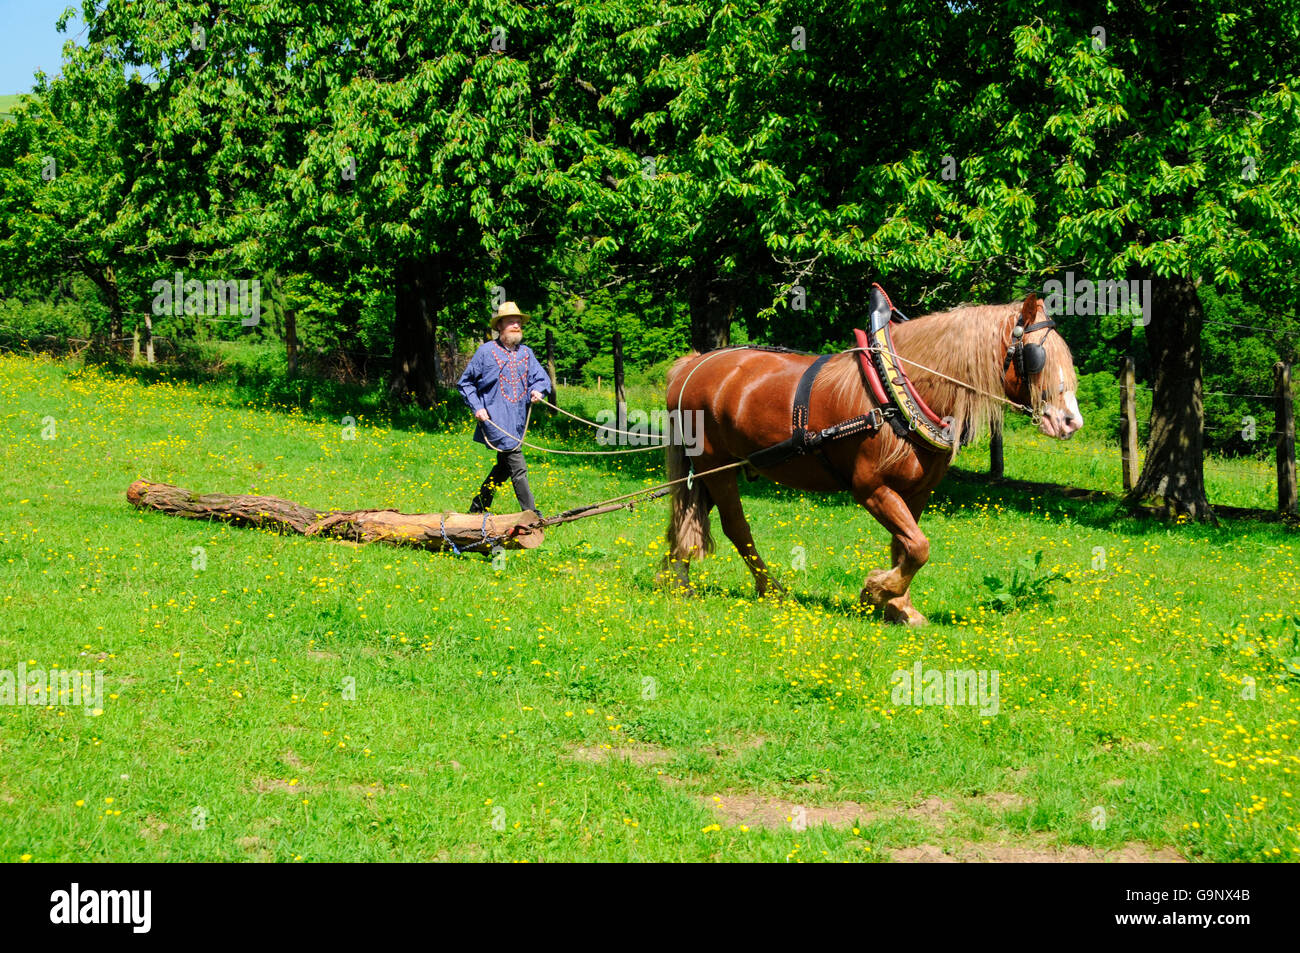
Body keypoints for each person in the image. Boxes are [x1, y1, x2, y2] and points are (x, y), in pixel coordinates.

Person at [456, 301, 552, 515]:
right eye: (511, 322)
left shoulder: (526, 353)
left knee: (502, 469)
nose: (516, 326)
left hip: (517, 422)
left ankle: (478, 507)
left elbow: (541, 379)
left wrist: (537, 390)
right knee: (518, 467)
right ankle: (531, 515)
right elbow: (465, 383)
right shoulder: (486, 352)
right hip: (495, 419)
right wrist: (477, 408)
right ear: (499, 326)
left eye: (518, 322)